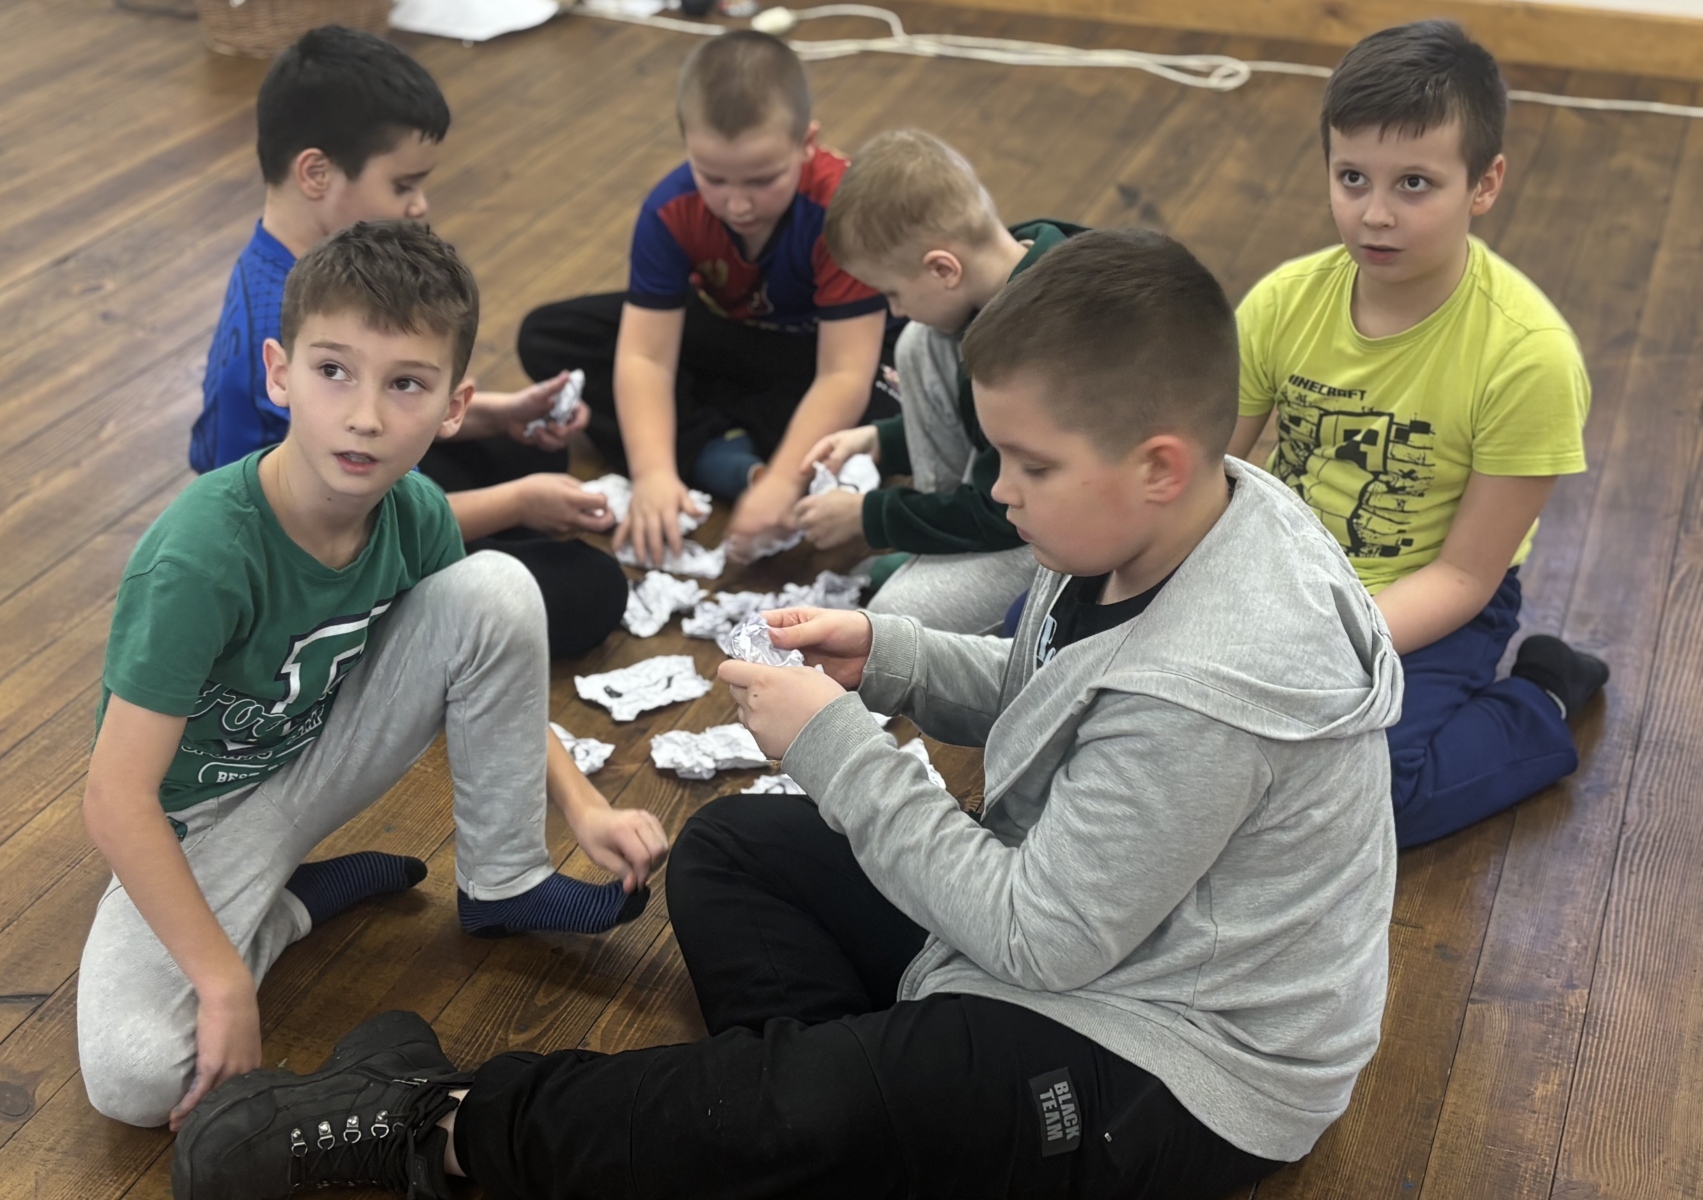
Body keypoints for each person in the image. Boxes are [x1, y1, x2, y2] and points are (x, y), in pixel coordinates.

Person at [172, 229, 1400, 1200]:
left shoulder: (1216, 683)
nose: (999, 496)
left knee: (808, 1101)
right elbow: (1052, 689)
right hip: (1062, 941)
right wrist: (892, 654)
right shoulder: (1150, 525)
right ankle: (836, 1130)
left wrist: (832, 742)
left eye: (1026, 467)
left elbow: (1042, 943)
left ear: (1157, 464)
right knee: (730, 850)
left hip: (1172, 1062)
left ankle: (436, 1126)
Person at [82, 222, 670, 1133]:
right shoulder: (200, 555)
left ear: (453, 405)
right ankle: (287, 909)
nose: (364, 416)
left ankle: (505, 881)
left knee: (499, 586)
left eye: (405, 384)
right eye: (334, 371)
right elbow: (115, 799)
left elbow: (486, 649)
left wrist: (583, 807)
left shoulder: (414, 509)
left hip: (318, 757)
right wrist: (224, 980)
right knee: (134, 1080)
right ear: (279, 373)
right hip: (197, 822)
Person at [1230, 20, 1609, 848]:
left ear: (1484, 183)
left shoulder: (1529, 357)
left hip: (1433, 600)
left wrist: (1308, 642)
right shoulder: (1282, 300)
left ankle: (1539, 696)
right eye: (1351, 177)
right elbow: (1206, 472)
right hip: (1275, 572)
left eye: (1413, 184)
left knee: (1373, 803)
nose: (1373, 215)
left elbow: (1465, 574)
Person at [189, 25, 626, 658]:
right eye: (403, 185)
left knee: (526, 452)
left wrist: (498, 415)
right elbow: (373, 518)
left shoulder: (282, 266)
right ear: (316, 172)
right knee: (590, 588)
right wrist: (517, 504)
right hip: (312, 563)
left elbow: (376, 410)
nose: (419, 205)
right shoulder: (288, 318)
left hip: (344, 475)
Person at [515, 31, 900, 568]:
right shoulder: (672, 208)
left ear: (806, 142)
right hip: (729, 340)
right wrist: (651, 474)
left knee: (898, 408)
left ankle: (721, 448)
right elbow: (646, 356)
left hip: (827, 356)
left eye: (763, 179)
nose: (737, 204)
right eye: (713, 177)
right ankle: (737, 455)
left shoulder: (842, 208)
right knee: (549, 335)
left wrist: (783, 482)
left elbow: (842, 375)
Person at [793, 129, 1083, 634]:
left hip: (1065, 540)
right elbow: (987, 439)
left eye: (892, 293)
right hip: (1012, 505)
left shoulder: (1035, 349)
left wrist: (870, 515)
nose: (893, 309)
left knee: (889, 624)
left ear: (943, 269)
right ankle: (939, 550)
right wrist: (881, 440)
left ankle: (952, 563)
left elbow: (1002, 511)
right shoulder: (1026, 257)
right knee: (919, 340)